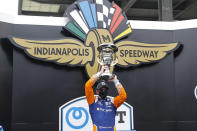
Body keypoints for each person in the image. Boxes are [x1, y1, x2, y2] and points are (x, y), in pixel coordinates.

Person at [85, 65, 127, 131]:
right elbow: (88, 86)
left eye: (105, 89)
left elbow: (123, 96)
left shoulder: (113, 101)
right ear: (97, 91)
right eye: (101, 89)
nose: (103, 90)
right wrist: (100, 73)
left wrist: (116, 81)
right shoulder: (93, 101)